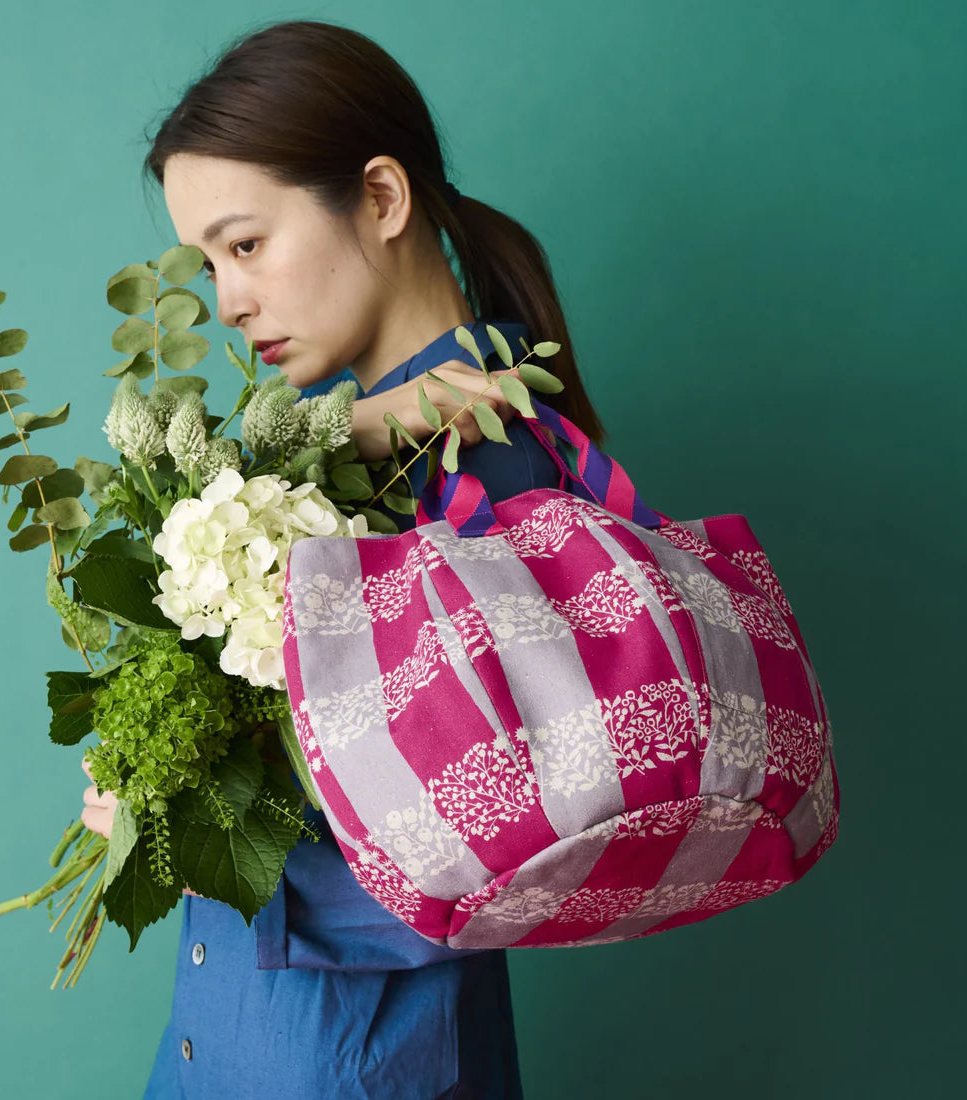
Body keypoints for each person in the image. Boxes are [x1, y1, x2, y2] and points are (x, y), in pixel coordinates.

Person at [80, 18, 611, 1099]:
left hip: (352, 1068)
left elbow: (494, 861)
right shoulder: (343, 448)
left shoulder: (485, 460)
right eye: (209, 264)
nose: (227, 301)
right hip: (237, 1046)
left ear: (379, 196)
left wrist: (189, 833)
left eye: (245, 245)